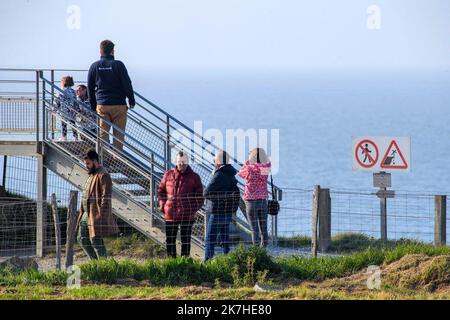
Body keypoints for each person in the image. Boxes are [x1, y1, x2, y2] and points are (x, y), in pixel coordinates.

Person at [87, 40, 135, 151]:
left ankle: (103, 158)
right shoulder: (119, 65)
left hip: (102, 105)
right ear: (112, 51)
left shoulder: (94, 66)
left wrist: (93, 106)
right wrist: (131, 101)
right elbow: (127, 84)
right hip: (119, 105)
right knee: (119, 135)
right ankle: (117, 159)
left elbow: (90, 87)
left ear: (100, 51)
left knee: (103, 133)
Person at [157, 151, 204, 258]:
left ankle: (185, 262)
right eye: (179, 161)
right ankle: (172, 263)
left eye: (183, 161)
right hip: (170, 214)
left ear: (187, 162)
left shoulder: (194, 177)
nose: (181, 164)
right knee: (170, 240)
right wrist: (163, 205)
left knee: (186, 240)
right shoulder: (168, 174)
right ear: (176, 162)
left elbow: (199, 197)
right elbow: (160, 191)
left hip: (187, 215)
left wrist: (192, 209)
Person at [77, 150, 119, 260]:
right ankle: (95, 263)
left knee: (96, 241)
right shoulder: (92, 174)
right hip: (86, 214)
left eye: (88, 164)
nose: (86, 166)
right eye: (85, 163)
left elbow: (106, 197)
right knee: (81, 238)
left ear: (95, 161)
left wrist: (102, 216)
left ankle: (103, 265)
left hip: (95, 214)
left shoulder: (103, 175)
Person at [203, 150, 240, 262]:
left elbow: (206, 193)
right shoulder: (231, 174)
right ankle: (227, 260)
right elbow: (236, 193)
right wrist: (232, 208)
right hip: (227, 212)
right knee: (224, 239)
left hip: (217, 211)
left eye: (214, 160)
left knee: (210, 239)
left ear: (218, 161)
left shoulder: (219, 175)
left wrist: (219, 200)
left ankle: (207, 262)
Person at [238, 148, 271, 247]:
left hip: (251, 201)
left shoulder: (249, 168)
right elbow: (269, 163)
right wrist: (266, 159)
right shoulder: (265, 169)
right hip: (262, 200)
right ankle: (264, 248)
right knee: (263, 228)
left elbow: (240, 173)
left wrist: (248, 162)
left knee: (254, 228)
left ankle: (256, 249)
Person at [55, 76, 79, 141]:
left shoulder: (61, 91)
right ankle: (75, 137)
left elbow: (57, 101)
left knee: (64, 124)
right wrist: (77, 110)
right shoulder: (73, 91)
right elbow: (76, 101)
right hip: (72, 111)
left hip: (63, 111)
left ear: (63, 82)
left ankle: (64, 137)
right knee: (73, 124)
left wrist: (55, 109)